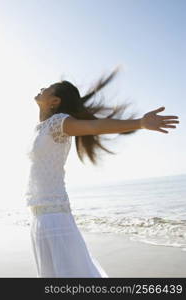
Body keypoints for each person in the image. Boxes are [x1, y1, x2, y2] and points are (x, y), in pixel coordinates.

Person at [24, 67, 179, 278]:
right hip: (38, 213)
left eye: (48, 88)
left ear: (55, 101)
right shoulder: (40, 128)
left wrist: (140, 123)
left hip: (54, 214)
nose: (43, 88)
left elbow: (95, 126)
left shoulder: (58, 123)